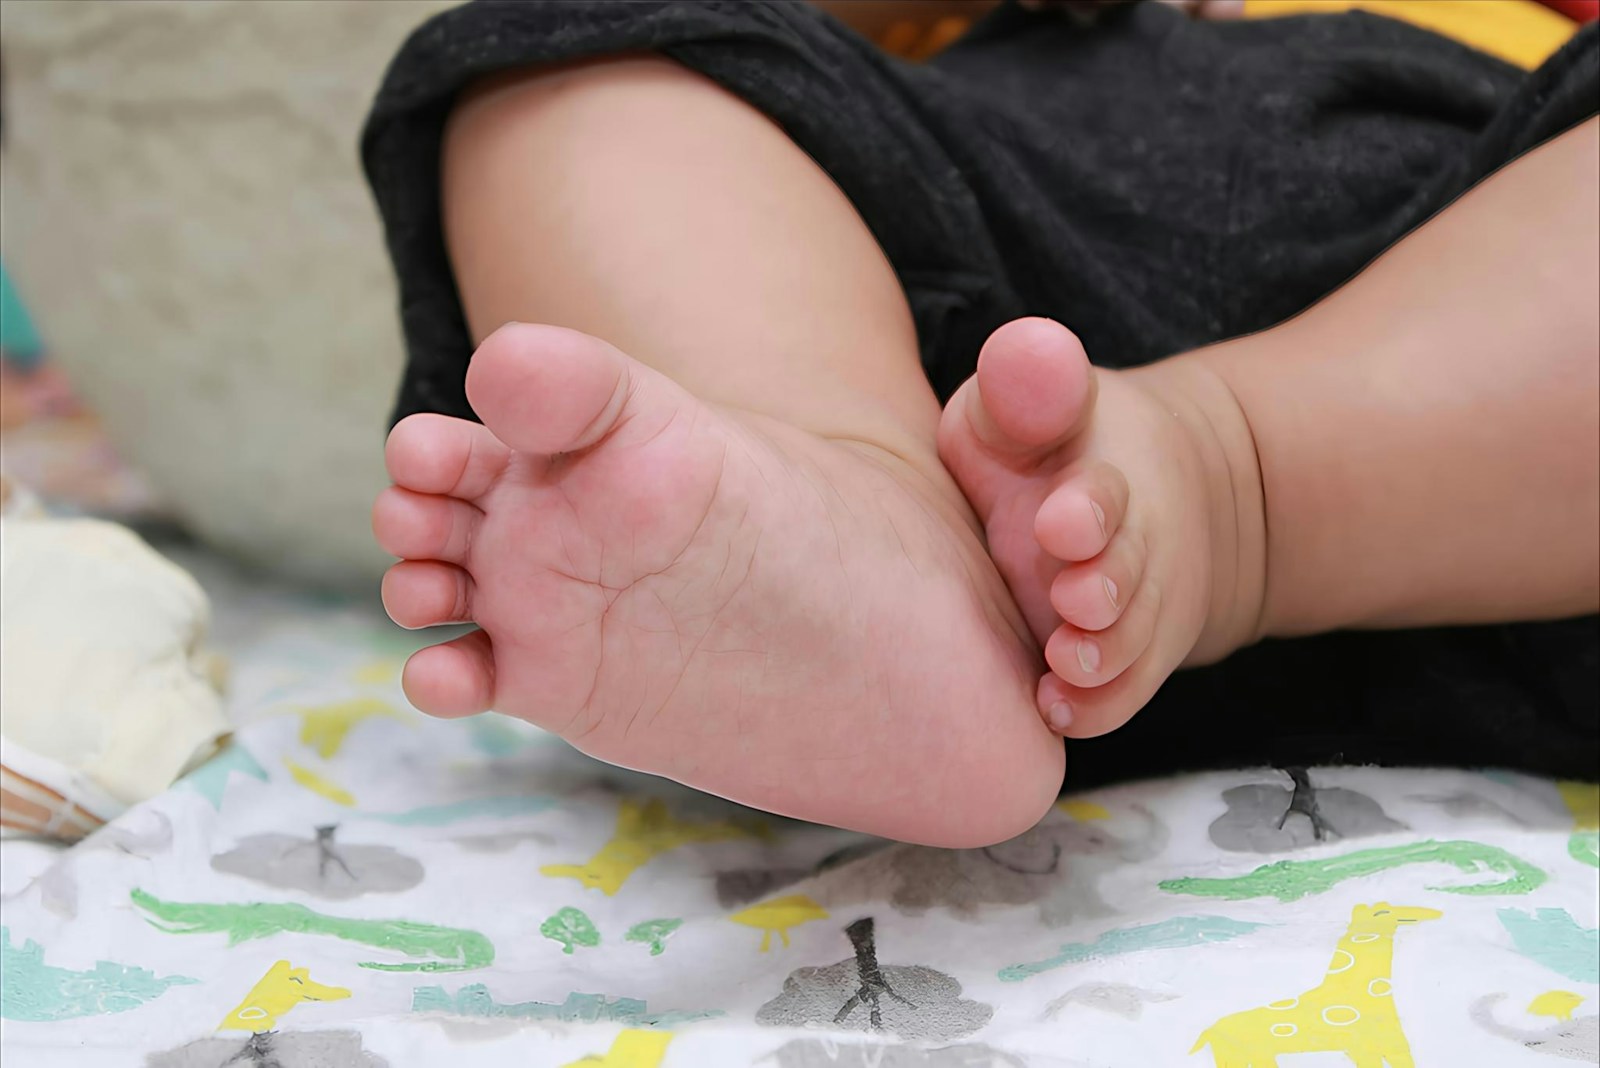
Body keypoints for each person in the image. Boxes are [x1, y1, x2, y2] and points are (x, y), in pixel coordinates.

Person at [363, 0, 1598, 846]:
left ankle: (1236, 488)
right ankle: (852, 533)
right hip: (942, 341)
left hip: (1490, 283)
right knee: (572, 57)